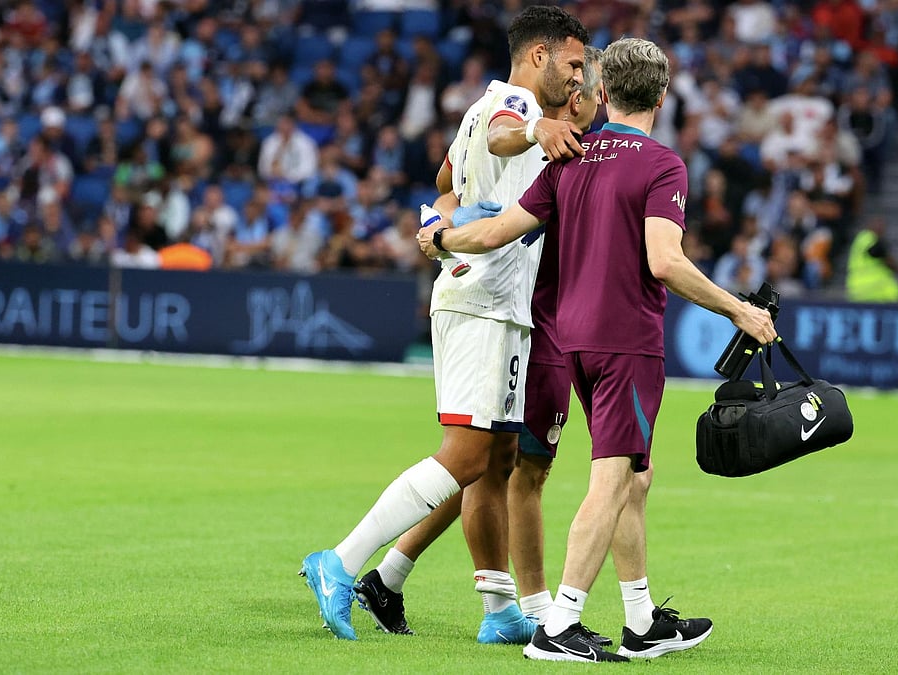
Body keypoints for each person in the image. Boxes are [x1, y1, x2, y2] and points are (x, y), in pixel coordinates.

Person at [417, 37, 777, 662]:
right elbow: (664, 261)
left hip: (571, 337)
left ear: (604, 91)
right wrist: (740, 309)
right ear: (662, 96)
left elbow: (500, 230)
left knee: (636, 473)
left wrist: (442, 237)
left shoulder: (571, 158)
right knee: (611, 479)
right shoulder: (662, 165)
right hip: (627, 341)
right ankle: (561, 624)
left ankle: (641, 620)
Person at [299, 6, 589, 643]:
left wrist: (438, 221)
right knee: (464, 456)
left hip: (504, 306)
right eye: (571, 63)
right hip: (480, 300)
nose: (578, 77)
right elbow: (503, 137)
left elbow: (444, 180)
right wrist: (535, 132)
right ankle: (341, 563)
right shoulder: (513, 106)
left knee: (498, 459)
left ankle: (499, 609)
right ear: (538, 56)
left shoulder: (483, 107)